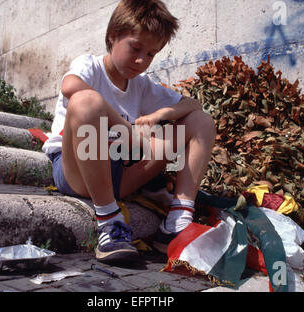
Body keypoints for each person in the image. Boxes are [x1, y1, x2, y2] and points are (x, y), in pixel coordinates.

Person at [42, 0, 216, 264]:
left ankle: (177, 221)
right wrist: (125, 129)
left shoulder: (142, 85)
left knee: (201, 121)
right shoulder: (90, 65)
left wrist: (160, 115)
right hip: (76, 170)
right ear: (113, 37)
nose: (141, 60)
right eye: (135, 48)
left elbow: (193, 104)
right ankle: (110, 222)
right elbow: (70, 87)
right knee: (86, 101)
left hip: (120, 172)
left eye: (151, 54)